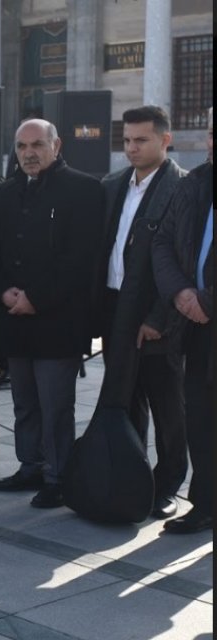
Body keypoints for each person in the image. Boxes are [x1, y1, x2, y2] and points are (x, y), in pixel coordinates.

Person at [0, 119, 103, 509]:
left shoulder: (84, 189)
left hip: (57, 321)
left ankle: (58, 475)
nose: (29, 153)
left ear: (56, 145)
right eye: (21, 146)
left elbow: (81, 259)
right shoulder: (4, 192)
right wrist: (4, 292)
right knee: (24, 403)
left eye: (37, 145)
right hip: (14, 317)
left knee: (55, 406)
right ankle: (30, 465)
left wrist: (36, 298)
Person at [96, 106, 188, 519]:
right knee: (126, 399)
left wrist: (158, 319)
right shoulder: (113, 184)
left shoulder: (182, 190)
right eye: (127, 140)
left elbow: (182, 263)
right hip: (116, 307)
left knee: (167, 404)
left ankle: (168, 484)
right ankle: (132, 479)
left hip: (158, 316)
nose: (132, 148)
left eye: (141, 140)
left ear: (165, 141)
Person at [151, 107, 212, 534]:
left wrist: (209, 299)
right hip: (194, 325)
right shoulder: (195, 183)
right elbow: (164, 243)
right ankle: (206, 503)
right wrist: (182, 293)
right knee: (201, 420)